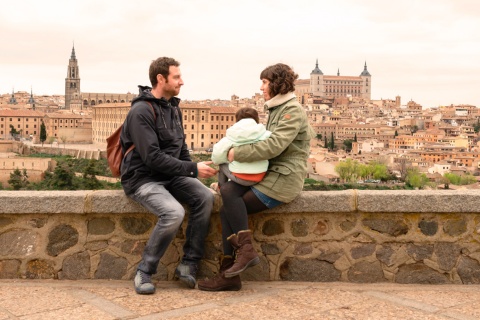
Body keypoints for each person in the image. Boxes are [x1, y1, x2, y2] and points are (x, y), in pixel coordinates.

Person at [198, 63, 315, 291]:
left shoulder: (291, 111)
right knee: (228, 198)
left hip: (283, 180)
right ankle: (233, 269)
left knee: (229, 202)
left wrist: (233, 154)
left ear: (276, 83)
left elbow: (273, 146)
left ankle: (238, 262)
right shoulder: (277, 108)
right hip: (270, 175)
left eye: (264, 82)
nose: (261, 87)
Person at [120, 57, 218, 294]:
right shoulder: (141, 111)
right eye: (177, 77)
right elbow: (151, 157)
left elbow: (181, 148)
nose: (182, 82)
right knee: (174, 212)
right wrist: (192, 169)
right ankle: (145, 270)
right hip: (143, 178)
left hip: (170, 175)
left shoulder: (173, 108)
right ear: (160, 79)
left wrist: (191, 172)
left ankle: (188, 264)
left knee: (205, 197)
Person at [210, 107, 271, 192]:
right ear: (256, 118)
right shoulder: (265, 134)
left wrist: (227, 158)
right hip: (260, 175)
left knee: (222, 163)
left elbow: (216, 157)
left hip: (241, 178)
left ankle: (220, 187)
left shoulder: (232, 136)